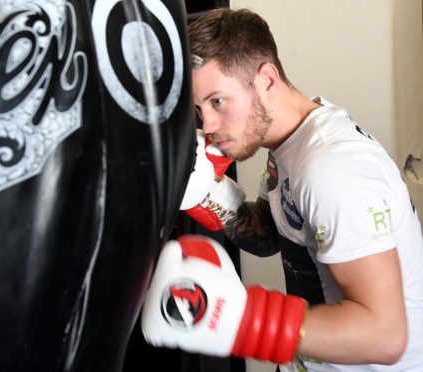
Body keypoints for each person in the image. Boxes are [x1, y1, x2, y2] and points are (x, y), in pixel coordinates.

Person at [140, 7, 423, 371]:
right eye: (199, 107)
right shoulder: (290, 146)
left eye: (217, 101)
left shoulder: (332, 168)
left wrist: (241, 321)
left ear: (267, 80)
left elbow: (383, 336)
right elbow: (274, 235)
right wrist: (208, 194)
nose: (207, 124)